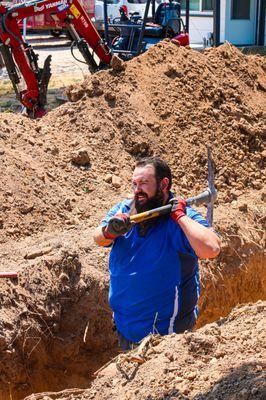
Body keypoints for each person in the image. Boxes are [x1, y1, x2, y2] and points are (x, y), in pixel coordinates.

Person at [93, 157, 221, 350]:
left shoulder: (180, 218)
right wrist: (110, 231)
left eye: (144, 183)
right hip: (124, 329)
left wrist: (180, 217)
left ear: (163, 184)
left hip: (165, 338)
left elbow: (211, 248)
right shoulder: (125, 209)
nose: (137, 190)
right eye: (135, 183)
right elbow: (98, 237)